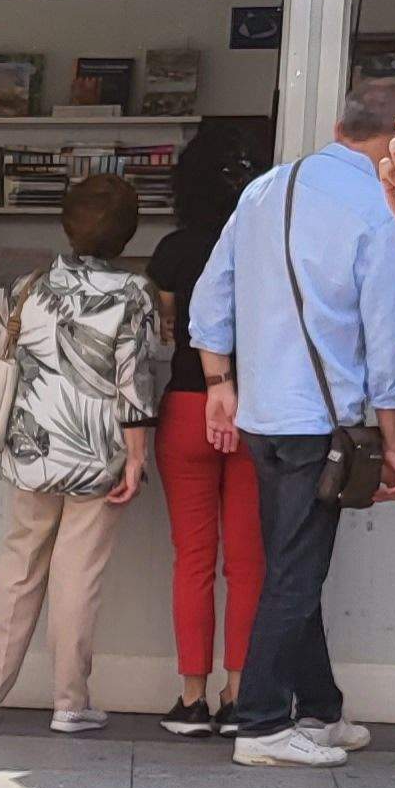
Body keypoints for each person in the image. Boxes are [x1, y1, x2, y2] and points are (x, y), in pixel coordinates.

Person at [194, 79, 395, 768]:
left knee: (298, 563)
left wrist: (218, 383)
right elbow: (385, 338)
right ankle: (261, 724)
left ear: (339, 125)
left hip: (263, 415)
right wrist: (394, 438)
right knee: (295, 571)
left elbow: (213, 292)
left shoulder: (268, 189)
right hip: (322, 423)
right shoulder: (378, 212)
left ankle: (319, 708)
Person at [0, 174, 161, 733]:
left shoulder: (25, 287)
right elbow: (134, 382)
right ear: (127, 233)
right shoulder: (134, 293)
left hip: (33, 450)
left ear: (67, 226)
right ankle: (69, 703)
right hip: (98, 453)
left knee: (18, 567)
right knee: (77, 575)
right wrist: (138, 457)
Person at [142, 145, 264, 734]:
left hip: (189, 405)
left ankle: (190, 698)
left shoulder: (173, 250)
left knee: (192, 558)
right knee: (247, 562)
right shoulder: (264, 246)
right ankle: (238, 693)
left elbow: (166, 333)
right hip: (255, 408)